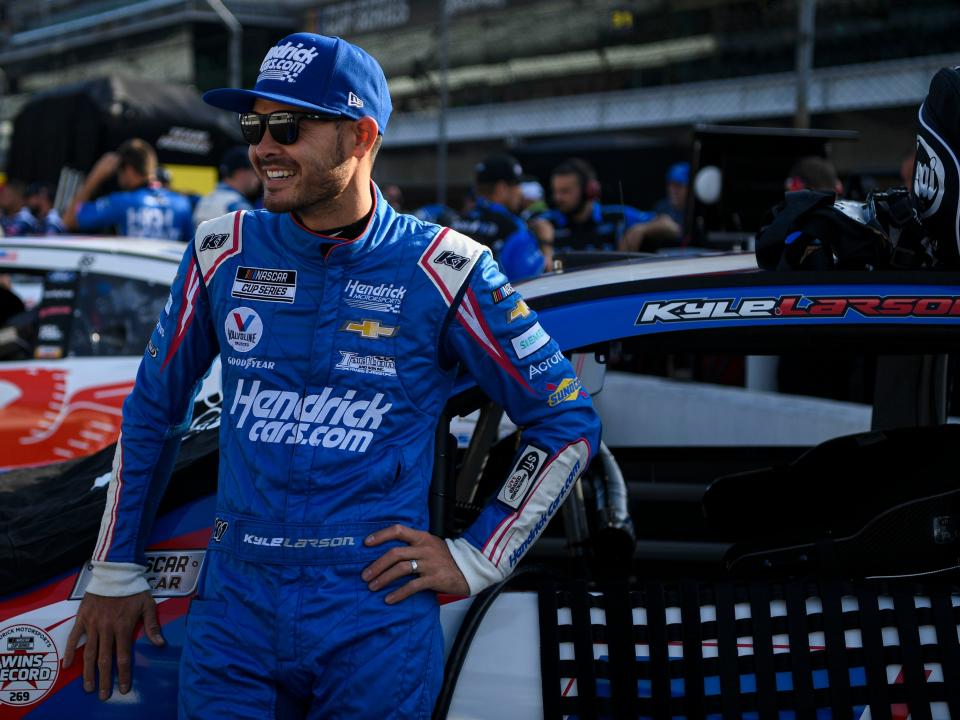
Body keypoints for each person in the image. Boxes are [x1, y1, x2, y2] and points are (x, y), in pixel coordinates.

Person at [64, 32, 601, 719]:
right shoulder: (221, 250)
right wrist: (114, 568)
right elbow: (151, 413)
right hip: (235, 610)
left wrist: (477, 556)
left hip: (373, 618)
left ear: (361, 136)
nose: (263, 147)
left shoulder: (448, 267)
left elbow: (565, 421)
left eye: (288, 126)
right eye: (256, 126)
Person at [62, 138, 195, 242]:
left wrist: (95, 176)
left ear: (129, 169)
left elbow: (68, 221)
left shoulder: (121, 202)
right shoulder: (181, 204)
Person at [540, 158, 679, 253]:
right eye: (555, 191)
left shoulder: (617, 216)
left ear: (590, 190)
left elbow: (672, 227)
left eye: (565, 191)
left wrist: (641, 229)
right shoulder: (547, 222)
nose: (557, 198)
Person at [452, 153, 545, 281]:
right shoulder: (512, 227)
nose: (520, 192)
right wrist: (546, 244)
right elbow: (530, 282)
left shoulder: (456, 222)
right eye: (517, 185)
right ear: (502, 189)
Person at [192, 146, 261, 225]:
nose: (258, 178)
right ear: (241, 173)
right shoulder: (239, 206)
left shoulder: (205, 198)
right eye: (255, 172)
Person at [653, 161, 690, 232]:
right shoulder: (661, 207)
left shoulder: (694, 210)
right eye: (671, 185)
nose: (673, 190)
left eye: (679, 185)